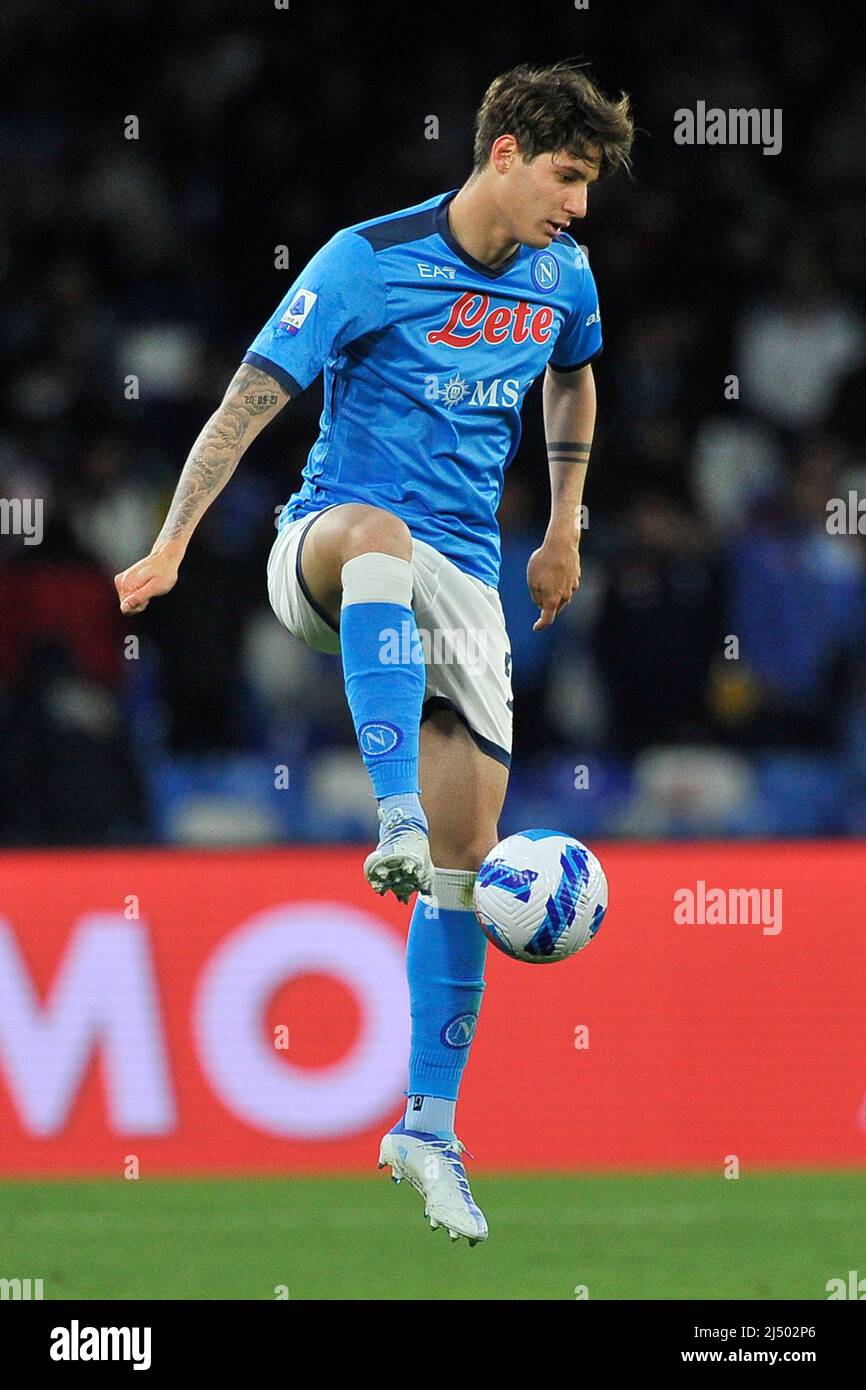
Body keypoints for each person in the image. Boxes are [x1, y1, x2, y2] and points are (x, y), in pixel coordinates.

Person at [115, 61, 634, 1245]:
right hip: (328, 544)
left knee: (467, 864)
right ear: (502, 152)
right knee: (381, 541)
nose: (578, 206)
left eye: (588, 185)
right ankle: (386, 812)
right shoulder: (366, 256)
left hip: (468, 587)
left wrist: (560, 527)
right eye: (565, 177)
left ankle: (427, 1127)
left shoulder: (564, 274)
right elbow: (246, 399)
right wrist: (171, 543)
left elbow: (575, 376)